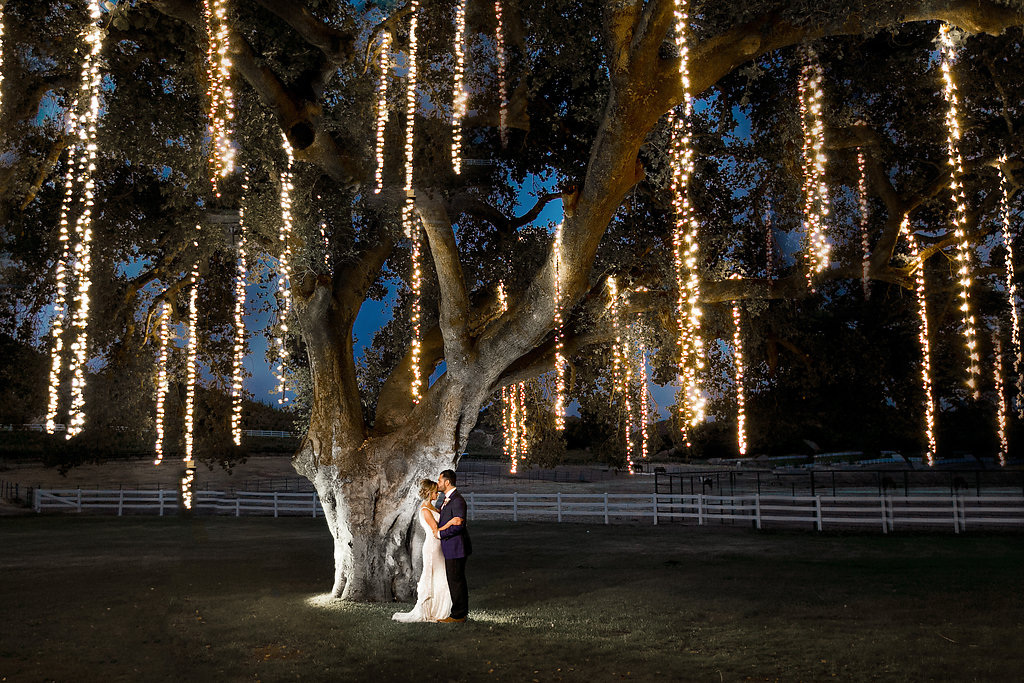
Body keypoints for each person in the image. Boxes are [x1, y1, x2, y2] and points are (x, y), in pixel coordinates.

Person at [392, 479, 458, 623]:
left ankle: (441, 609)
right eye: (435, 492)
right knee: (436, 576)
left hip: (439, 546)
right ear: (429, 493)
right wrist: (452, 522)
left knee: (441, 577)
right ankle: (432, 609)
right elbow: (436, 530)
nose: (437, 494)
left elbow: (439, 517)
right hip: (433, 548)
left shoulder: (432, 508)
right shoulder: (425, 510)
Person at [436, 469, 472, 623]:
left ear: (447, 482)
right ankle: (458, 612)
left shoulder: (457, 500)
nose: (438, 483)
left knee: (456, 581)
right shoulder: (448, 499)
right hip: (451, 547)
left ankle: (459, 615)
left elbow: (458, 526)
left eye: (439, 481)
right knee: (454, 580)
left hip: (456, 547)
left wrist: (440, 534)